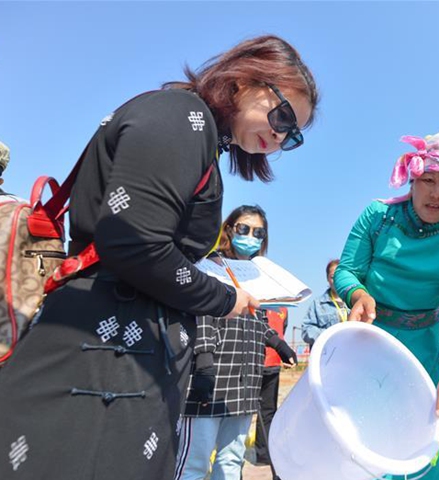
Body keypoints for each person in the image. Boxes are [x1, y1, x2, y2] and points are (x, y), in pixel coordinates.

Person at [0, 35, 318, 480]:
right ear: (244, 80)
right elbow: (135, 244)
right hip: (102, 357)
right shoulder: (180, 116)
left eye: (293, 134)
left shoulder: (198, 133)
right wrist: (226, 298)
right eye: (282, 116)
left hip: (125, 357)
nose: (280, 135)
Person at [334, 131, 439, 480]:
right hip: (371, 341)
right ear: (412, 180)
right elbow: (347, 270)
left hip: (425, 351)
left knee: (422, 446)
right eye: (428, 180)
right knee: (366, 439)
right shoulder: (378, 216)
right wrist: (358, 295)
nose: (437, 193)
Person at [175, 205, 297, 480]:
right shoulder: (210, 265)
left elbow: (257, 320)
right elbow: (201, 314)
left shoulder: (256, 274)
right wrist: (203, 360)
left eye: (258, 232)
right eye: (244, 229)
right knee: (194, 462)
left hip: (245, 381)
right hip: (211, 377)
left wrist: (277, 343)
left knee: (231, 461)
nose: (250, 236)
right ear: (229, 229)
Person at [254, 306, 289, 479]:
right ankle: (262, 452)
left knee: (268, 410)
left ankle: (264, 454)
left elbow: (282, 330)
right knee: (249, 412)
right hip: (255, 362)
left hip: (273, 362)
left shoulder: (284, 308)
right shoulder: (256, 304)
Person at [300, 259, 349, 349]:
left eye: (340, 276)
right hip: (327, 353)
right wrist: (329, 335)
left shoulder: (355, 302)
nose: (337, 280)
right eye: (332, 277)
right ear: (327, 279)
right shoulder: (318, 304)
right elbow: (306, 330)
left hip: (351, 352)